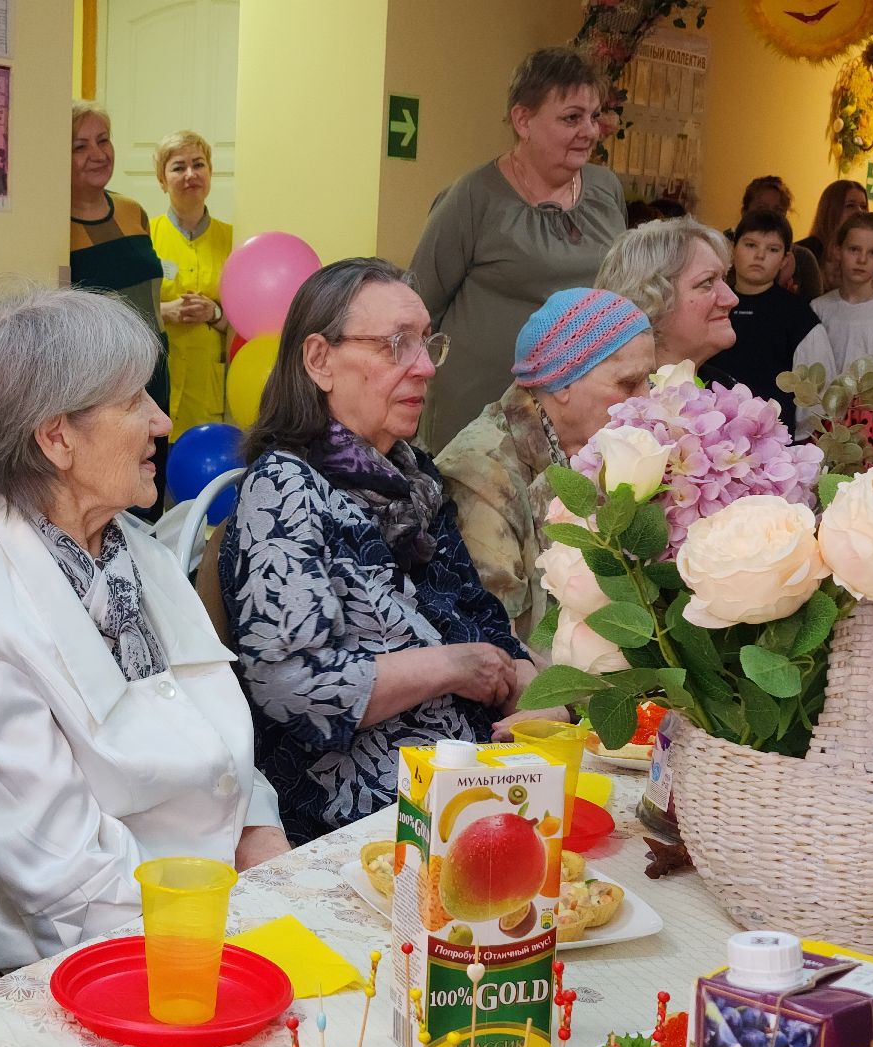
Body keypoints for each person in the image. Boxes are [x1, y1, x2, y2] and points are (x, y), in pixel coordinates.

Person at [0, 286, 288, 972]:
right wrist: (231, 935)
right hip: (91, 957)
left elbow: (219, 735)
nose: (162, 422)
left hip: (214, 909)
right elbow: (67, 878)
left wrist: (260, 829)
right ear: (56, 437)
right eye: (135, 402)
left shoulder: (138, 551)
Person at [217, 258, 563, 845]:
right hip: (366, 815)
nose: (425, 367)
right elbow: (293, 689)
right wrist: (451, 667)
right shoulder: (285, 489)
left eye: (428, 344)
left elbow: (478, 615)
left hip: (470, 780)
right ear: (320, 361)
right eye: (397, 345)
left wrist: (543, 701)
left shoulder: (412, 478)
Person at [409, 47, 628, 451]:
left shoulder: (606, 190)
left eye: (594, 116)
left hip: (579, 413)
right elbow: (419, 305)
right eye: (571, 118)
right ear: (523, 120)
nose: (590, 131)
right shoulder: (472, 197)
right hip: (479, 415)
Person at [438, 289, 655, 642]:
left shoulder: (602, 448)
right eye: (629, 383)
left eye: (651, 380)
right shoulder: (479, 473)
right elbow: (497, 647)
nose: (646, 400)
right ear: (563, 381)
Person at [70, 101, 169, 518]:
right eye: (80, 146)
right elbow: (64, 313)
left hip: (157, 364)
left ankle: (152, 578)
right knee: (114, 490)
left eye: (103, 140)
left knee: (152, 482)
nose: (98, 154)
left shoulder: (133, 211)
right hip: (106, 377)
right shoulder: (55, 226)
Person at [709, 209, 835, 434]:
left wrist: (795, 439)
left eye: (772, 249)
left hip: (774, 444)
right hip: (711, 433)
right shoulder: (710, 303)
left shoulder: (799, 317)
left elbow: (816, 393)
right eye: (750, 245)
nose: (759, 256)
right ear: (732, 249)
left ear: (785, 259)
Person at [149, 129, 233, 438]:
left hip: (208, 388)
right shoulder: (146, 235)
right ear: (161, 179)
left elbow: (247, 323)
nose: (190, 174)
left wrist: (214, 313)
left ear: (210, 172)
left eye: (198, 164)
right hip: (157, 379)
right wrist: (164, 311)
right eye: (177, 167)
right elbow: (123, 307)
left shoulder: (233, 240)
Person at [595, 216, 740, 379]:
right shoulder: (618, 402)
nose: (732, 299)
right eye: (707, 282)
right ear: (649, 300)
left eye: (724, 278)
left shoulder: (725, 388)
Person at [811, 212, 873, 466]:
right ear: (838, 250)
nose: (861, 259)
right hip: (828, 416)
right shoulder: (820, 308)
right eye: (854, 249)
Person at [732, 175, 822, 302]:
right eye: (761, 208)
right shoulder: (723, 250)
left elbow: (813, 306)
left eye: (778, 210)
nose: (769, 215)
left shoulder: (803, 258)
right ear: (745, 212)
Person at [796, 179, 868, 291]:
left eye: (863, 207)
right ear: (831, 210)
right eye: (850, 205)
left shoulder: (867, 254)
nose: (859, 211)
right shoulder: (808, 251)